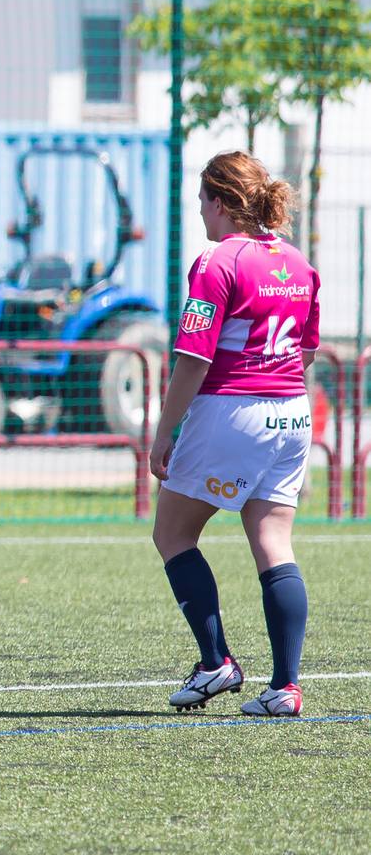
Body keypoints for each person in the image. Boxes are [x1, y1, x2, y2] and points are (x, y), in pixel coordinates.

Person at [152, 151, 318, 717]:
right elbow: (309, 350)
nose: (199, 212)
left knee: (173, 533)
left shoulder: (217, 262)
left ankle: (216, 662)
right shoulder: (297, 262)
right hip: (293, 413)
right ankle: (286, 688)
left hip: (232, 409)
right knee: (274, 542)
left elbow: (193, 359)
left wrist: (165, 431)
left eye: (202, 200)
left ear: (219, 202)